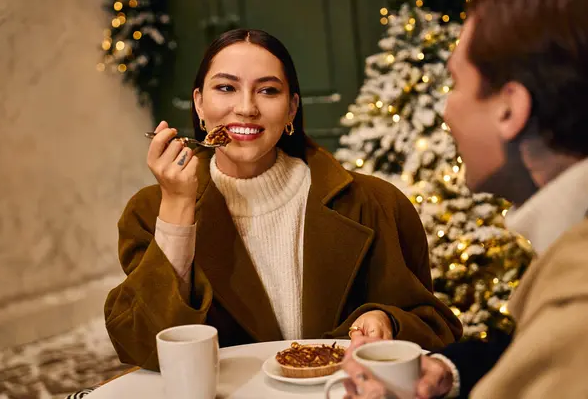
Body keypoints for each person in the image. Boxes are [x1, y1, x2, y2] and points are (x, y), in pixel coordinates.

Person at [104, 29, 462, 371]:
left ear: (292, 109)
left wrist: (388, 322)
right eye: (226, 87)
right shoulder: (150, 212)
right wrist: (179, 208)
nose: (245, 108)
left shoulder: (376, 204)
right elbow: (143, 347)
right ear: (199, 104)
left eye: (268, 91)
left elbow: (436, 329)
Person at [340, 0, 588, 398]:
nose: (446, 112)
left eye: (455, 83)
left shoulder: (578, 305)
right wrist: (445, 370)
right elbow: (525, 352)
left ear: (510, 109)